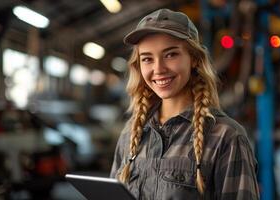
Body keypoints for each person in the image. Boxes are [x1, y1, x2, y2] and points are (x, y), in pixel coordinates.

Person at [110, 8, 260, 200]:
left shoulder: (226, 137)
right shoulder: (131, 133)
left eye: (171, 55)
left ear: (195, 59)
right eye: (147, 59)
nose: (158, 69)